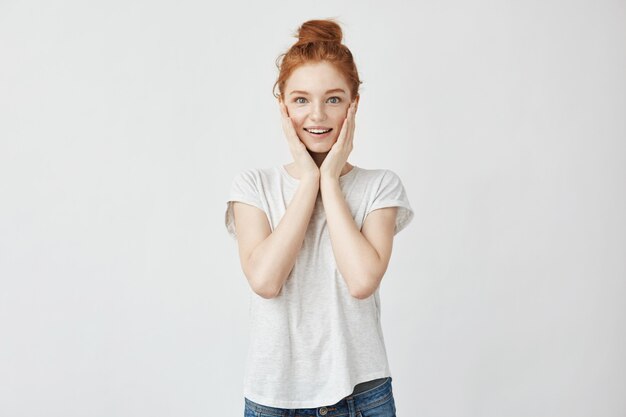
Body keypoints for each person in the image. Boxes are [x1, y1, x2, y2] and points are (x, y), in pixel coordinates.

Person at [225, 18, 414, 417]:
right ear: (282, 106)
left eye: (333, 99)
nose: (317, 115)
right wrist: (309, 178)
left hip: (362, 396)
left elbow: (362, 280)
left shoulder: (380, 187)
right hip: (274, 400)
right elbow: (265, 280)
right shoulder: (253, 187)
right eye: (300, 100)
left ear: (353, 103)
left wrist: (330, 177)